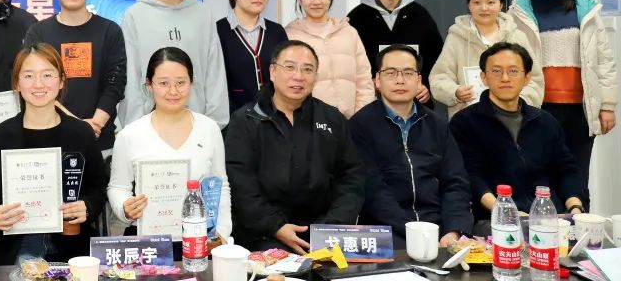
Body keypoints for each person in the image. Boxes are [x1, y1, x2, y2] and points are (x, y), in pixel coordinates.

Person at [0, 44, 109, 265]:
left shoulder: (81, 133)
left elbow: (98, 186)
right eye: (28, 76)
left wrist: (87, 206)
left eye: (47, 75)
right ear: (17, 83)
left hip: (71, 244)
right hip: (14, 245)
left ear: (61, 80)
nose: (38, 84)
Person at [224, 40, 364, 253]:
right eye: (289, 67)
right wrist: (274, 226)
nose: (298, 76)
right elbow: (240, 184)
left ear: (315, 76)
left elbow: (351, 177)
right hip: (264, 234)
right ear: (272, 71)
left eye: (307, 69)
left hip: (324, 232)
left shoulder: (332, 118)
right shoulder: (245, 120)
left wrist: (330, 227)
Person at [509, 0, 617, 208]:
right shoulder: (519, 11)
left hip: (581, 108)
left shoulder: (586, 9)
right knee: (540, 174)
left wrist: (607, 105)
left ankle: (580, 226)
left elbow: (604, 59)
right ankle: (543, 230)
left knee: (577, 174)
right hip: (538, 105)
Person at [449, 42, 586, 224]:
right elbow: (472, 177)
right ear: (483, 77)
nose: (505, 78)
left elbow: (567, 169)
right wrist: (508, 212)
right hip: (493, 219)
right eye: (496, 71)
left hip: (550, 216)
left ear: (527, 78)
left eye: (513, 71)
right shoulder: (465, 122)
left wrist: (575, 209)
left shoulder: (545, 122)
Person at [350, 45, 472, 246]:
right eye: (391, 73)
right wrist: (416, 233)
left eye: (408, 73)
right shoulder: (360, 125)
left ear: (419, 81)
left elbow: (456, 182)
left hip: (438, 229)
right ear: (377, 81)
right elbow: (372, 190)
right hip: (385, 232)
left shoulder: (437, 125)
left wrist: (454, 230)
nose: (400, 80)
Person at [107, 47, 232, 243]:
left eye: (181, 83)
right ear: (149, 84)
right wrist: (126, 208)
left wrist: (221, 232)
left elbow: (220, 185)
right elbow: (117, 187)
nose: (173, 91)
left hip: (200, 239)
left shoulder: (209, 129)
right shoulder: (130, 135)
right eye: (163, 83)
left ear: (191, 82)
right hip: (148, 242)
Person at [120, 0, 228, 128]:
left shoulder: (203, 14)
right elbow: (131, 75)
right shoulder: (133, 15)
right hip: (148, 122)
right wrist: (135, 124)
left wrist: (213, 122)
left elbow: (214, 70)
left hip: (198, 120)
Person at [23, 0, 127, 149]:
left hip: (99, 138)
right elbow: (36, 85)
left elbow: (115, 83)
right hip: (50, 135)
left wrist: (95, 125)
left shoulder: (110, 31)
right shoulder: (38, 32)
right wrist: (77, 126)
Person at [431, 0, 543, 117]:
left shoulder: (517, 37)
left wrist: (519, 102)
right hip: (469, 118)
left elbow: (534, 79)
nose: (484, 8)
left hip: (513, 117)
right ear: (469, 5)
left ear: (501, 4)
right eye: (477, 2)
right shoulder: (456, 37)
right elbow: (439, 77)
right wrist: (455, 92)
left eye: (490, 2)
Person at [347, 0, 443, 105]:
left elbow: (437, 57)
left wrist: (427, 85)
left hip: (415, 102)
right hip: (371, 101)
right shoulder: (357, 17)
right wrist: (367, 83)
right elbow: (348, 62)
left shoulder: (420, 15)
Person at [285, 0, 374, 118]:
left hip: (350, 120)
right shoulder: (290, 36)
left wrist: (360, 117)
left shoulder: (348, 32)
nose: (316, 1)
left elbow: (364, 79)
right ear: (300, 0)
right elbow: (288, 83)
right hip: (309, 121)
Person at [216, 0, 289, 114]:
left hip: (274, 116)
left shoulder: (277, 31)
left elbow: (287, 72)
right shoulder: (217, 31)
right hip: (234, 117)